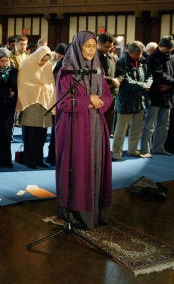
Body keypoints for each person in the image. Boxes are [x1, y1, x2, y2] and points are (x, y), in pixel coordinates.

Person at [55, 31, 112, 230]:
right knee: (78, 167)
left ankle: (95, 210)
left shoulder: (97, 69)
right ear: (78, 46)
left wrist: (100, 102)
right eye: (86, 46)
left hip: (96, 125)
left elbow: (107, 96)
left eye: (93, 46)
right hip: (74, 126)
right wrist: (88, 100)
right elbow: (62, 103)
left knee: (95, 165)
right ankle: (76, 212)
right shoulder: (66, 70)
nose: (90, 50)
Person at [138, 35, 174, 157]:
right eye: (167, 48)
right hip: (155, 95)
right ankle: (145, 149)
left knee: (164, 124)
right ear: (162, 46)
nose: (169, 50)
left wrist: (172, 85)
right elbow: (158, 74)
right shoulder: (153, 58)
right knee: (149, 124)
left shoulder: (171, 57)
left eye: (170, 48)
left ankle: (158, 147)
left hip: (167, 95)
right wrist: (173, 82)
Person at [16, 46, 56, 169]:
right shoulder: (27, 63)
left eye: (46, 60)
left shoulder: (48, 66)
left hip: (45, 103)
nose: (44, 62)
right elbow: (23, 84)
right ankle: (29, 160)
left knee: (42, 135)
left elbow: (51, 84)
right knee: (30, 134)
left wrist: (46, 89)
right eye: (42, 60)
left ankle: (39, 159)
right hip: (31, 103)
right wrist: (40, 88)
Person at [111, 41, 152, 160]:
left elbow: (150, 76)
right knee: (121, 130)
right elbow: (126, 81)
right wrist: (143, 86)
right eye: (136, 54)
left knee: (137, 128)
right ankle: (117, 153)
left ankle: (133, 150)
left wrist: (147, 84)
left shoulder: (143, 61)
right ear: (129, 52)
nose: (139, 56)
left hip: (140, 99)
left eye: (140, 54)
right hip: (126, 100)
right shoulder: (121, 62)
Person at [97, 33, 120, 134]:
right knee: (96, 125)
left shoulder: (113, 58)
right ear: (99, 43)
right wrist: (111, 80)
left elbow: (121, 73)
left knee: (107, 125)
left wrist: (118, 80)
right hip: (98, 95)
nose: (108, 49)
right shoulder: (92, 58)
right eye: (106, 46)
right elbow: (94, 74)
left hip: (111, 94)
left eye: (110, 47)